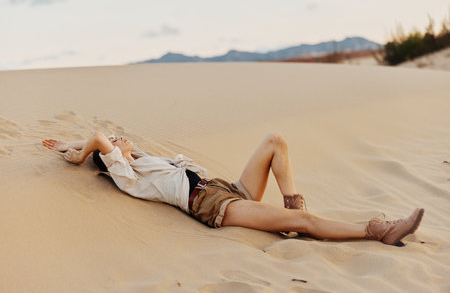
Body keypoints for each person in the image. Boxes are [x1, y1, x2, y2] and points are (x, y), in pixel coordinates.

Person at [42, 131, 424, 246]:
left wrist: (66, 145)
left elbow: (95, 141)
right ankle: (378, 229)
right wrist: (79, 155)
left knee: (275, 141)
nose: (119, 136)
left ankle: (291, 207)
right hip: (212, 206)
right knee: (304, 221)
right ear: (109, 157)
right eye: (115, 140)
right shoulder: (129, 176)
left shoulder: (139, 159)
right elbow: (97, 142)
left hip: (225, 188)